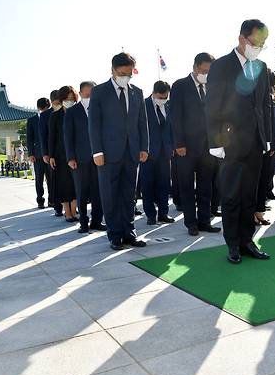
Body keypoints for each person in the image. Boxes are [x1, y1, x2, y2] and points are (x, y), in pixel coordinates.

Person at [206, 19, 272, 264]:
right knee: (232, 195)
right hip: (230, 141)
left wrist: (267, 138)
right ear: (242, 38)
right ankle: (232, 243)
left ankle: (247, 240)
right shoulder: (222, 66)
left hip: (255, 142)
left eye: (263, 43)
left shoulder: (261, 67)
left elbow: (265, 105)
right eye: (257, 41)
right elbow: (213, 105)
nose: (259, 47)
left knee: (250, 195)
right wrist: (216, 141)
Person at [88, 52, 149, 251]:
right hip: (107, 153)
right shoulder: (99, 92)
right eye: (122, 73)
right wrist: (97, 151)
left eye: (130, 73)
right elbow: (94, 124)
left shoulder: (137, 92)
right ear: (113, 70)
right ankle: (115, 235)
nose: (126, 76)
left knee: (129, 194)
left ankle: (129, 232)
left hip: (132, 152)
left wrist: (144, 147)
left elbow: (142, 122)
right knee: (110, 194)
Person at [170, 52, 221, 236]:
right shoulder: (180, 86)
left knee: (206, 185)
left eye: (210, 70)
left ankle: (205, 221)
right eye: (204, 70)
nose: (206, 73)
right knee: (186, 186)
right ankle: (191, 223)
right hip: (186, 147)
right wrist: (179, 143)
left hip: (208, 146)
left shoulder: (213, 86)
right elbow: (175, 117)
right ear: (195, 67)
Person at [64, 81, 106, 234]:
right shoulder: (72, 112)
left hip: (99, 157)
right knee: (82, 191)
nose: (89, 97)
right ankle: (83, 222)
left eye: (92, 94)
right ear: (80, 94)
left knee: (98, 191)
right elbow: (68, 137)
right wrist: (70, 157)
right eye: (87, 94)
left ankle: (97, 220)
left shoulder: (101, 109)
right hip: (80, 159)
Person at [140, 81, 175, 226]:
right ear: (153, 93)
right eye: (160, 96)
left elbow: (172, 127)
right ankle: (150, 215)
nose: (163, 99)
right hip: (148, 153)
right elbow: (139, 128)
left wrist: (172, 146)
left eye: (165, 96)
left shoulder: (169, 105)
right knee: (147, 185)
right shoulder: (143, 105)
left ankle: (163, 213)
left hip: (165, 152)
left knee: (164, 184)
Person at [255, 70, 275, 225]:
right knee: (253, 182)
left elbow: (273, 126)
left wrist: (273, 145)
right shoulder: (252, 99)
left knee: (263, 181)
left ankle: (259, 212)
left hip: (269, 148)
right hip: (254, 147)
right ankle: (250, 213)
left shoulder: (272, 103)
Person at [48, 86, 78, 222]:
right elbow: (51, 138)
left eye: (71, 99)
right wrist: (51, 156)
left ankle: (74, 210)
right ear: (61, 100)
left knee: (76, 183)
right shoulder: (55, 116)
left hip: (77, 154)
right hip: (60, 156)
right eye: (66, 99)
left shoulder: (79, 113)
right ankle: (67, 212)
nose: (69, 101)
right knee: (64, 183)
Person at [26, 98, 50, 208]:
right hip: (37, 155)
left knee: (51, 179)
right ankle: (40, 200)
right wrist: (31, 154)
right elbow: (29, 139)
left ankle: (52, 200)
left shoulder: (51, 116)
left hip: (50, 154)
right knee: (39, 179)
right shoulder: (32, 120)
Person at [40, 92, 60, 214]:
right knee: (54, 180)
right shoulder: (45, 115)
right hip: (51, 151)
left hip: (64, 150)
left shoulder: (66, 111)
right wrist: (45, 153)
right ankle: (57, 206)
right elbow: (43, 136)